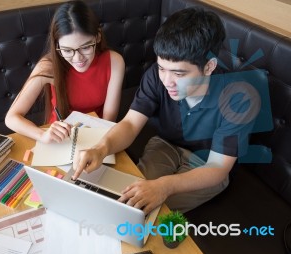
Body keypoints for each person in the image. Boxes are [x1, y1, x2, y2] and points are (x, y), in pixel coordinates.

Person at [72, 7, 259, 214]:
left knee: (146, 210)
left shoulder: (238, 98)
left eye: (179, 73)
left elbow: (218, 167)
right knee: (123, 198)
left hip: (207, 164)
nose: (167, 81)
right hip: (165, 145)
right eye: (162, 68)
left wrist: (165, 186)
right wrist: (101, 148)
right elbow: (131, 123)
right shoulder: (155, 75)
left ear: (209, 66)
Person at [5, 0, 125, 144]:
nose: (77, 58)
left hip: (97, 136)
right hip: (58, 139)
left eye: (85, 47)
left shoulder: (115, 62)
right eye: (67, 50)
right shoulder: (48, 66)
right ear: (57, 45)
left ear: (98, 37)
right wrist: (42, 135)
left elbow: (108, 119)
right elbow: (11, 118)